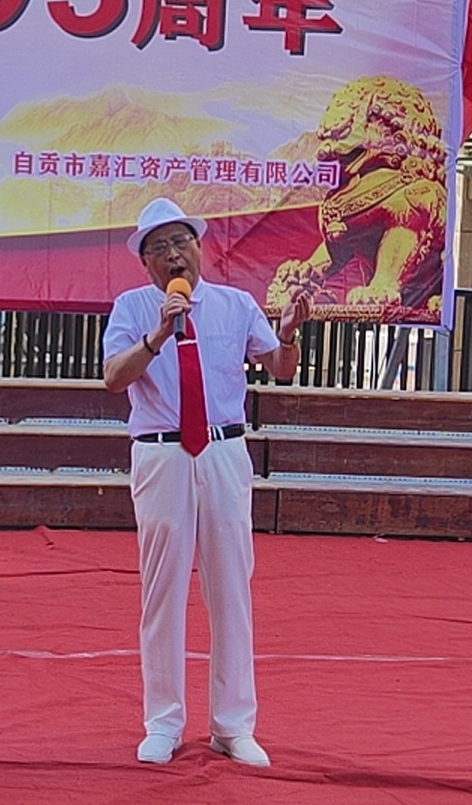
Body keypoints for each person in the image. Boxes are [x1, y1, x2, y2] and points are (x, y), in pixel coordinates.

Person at [102, 197, 302, 768]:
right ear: (145, 262)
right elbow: (113, 378)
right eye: (159, 248)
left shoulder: (236, 305)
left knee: (231, 586)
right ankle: (163, 722)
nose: (173, 256)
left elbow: (281, 367)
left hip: (223, 450)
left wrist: (289, 335)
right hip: (162, 453)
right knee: (163, 589)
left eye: (180, 243)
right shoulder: (132, 308)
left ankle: (233, 725)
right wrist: (158, 335)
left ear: (199, 248)